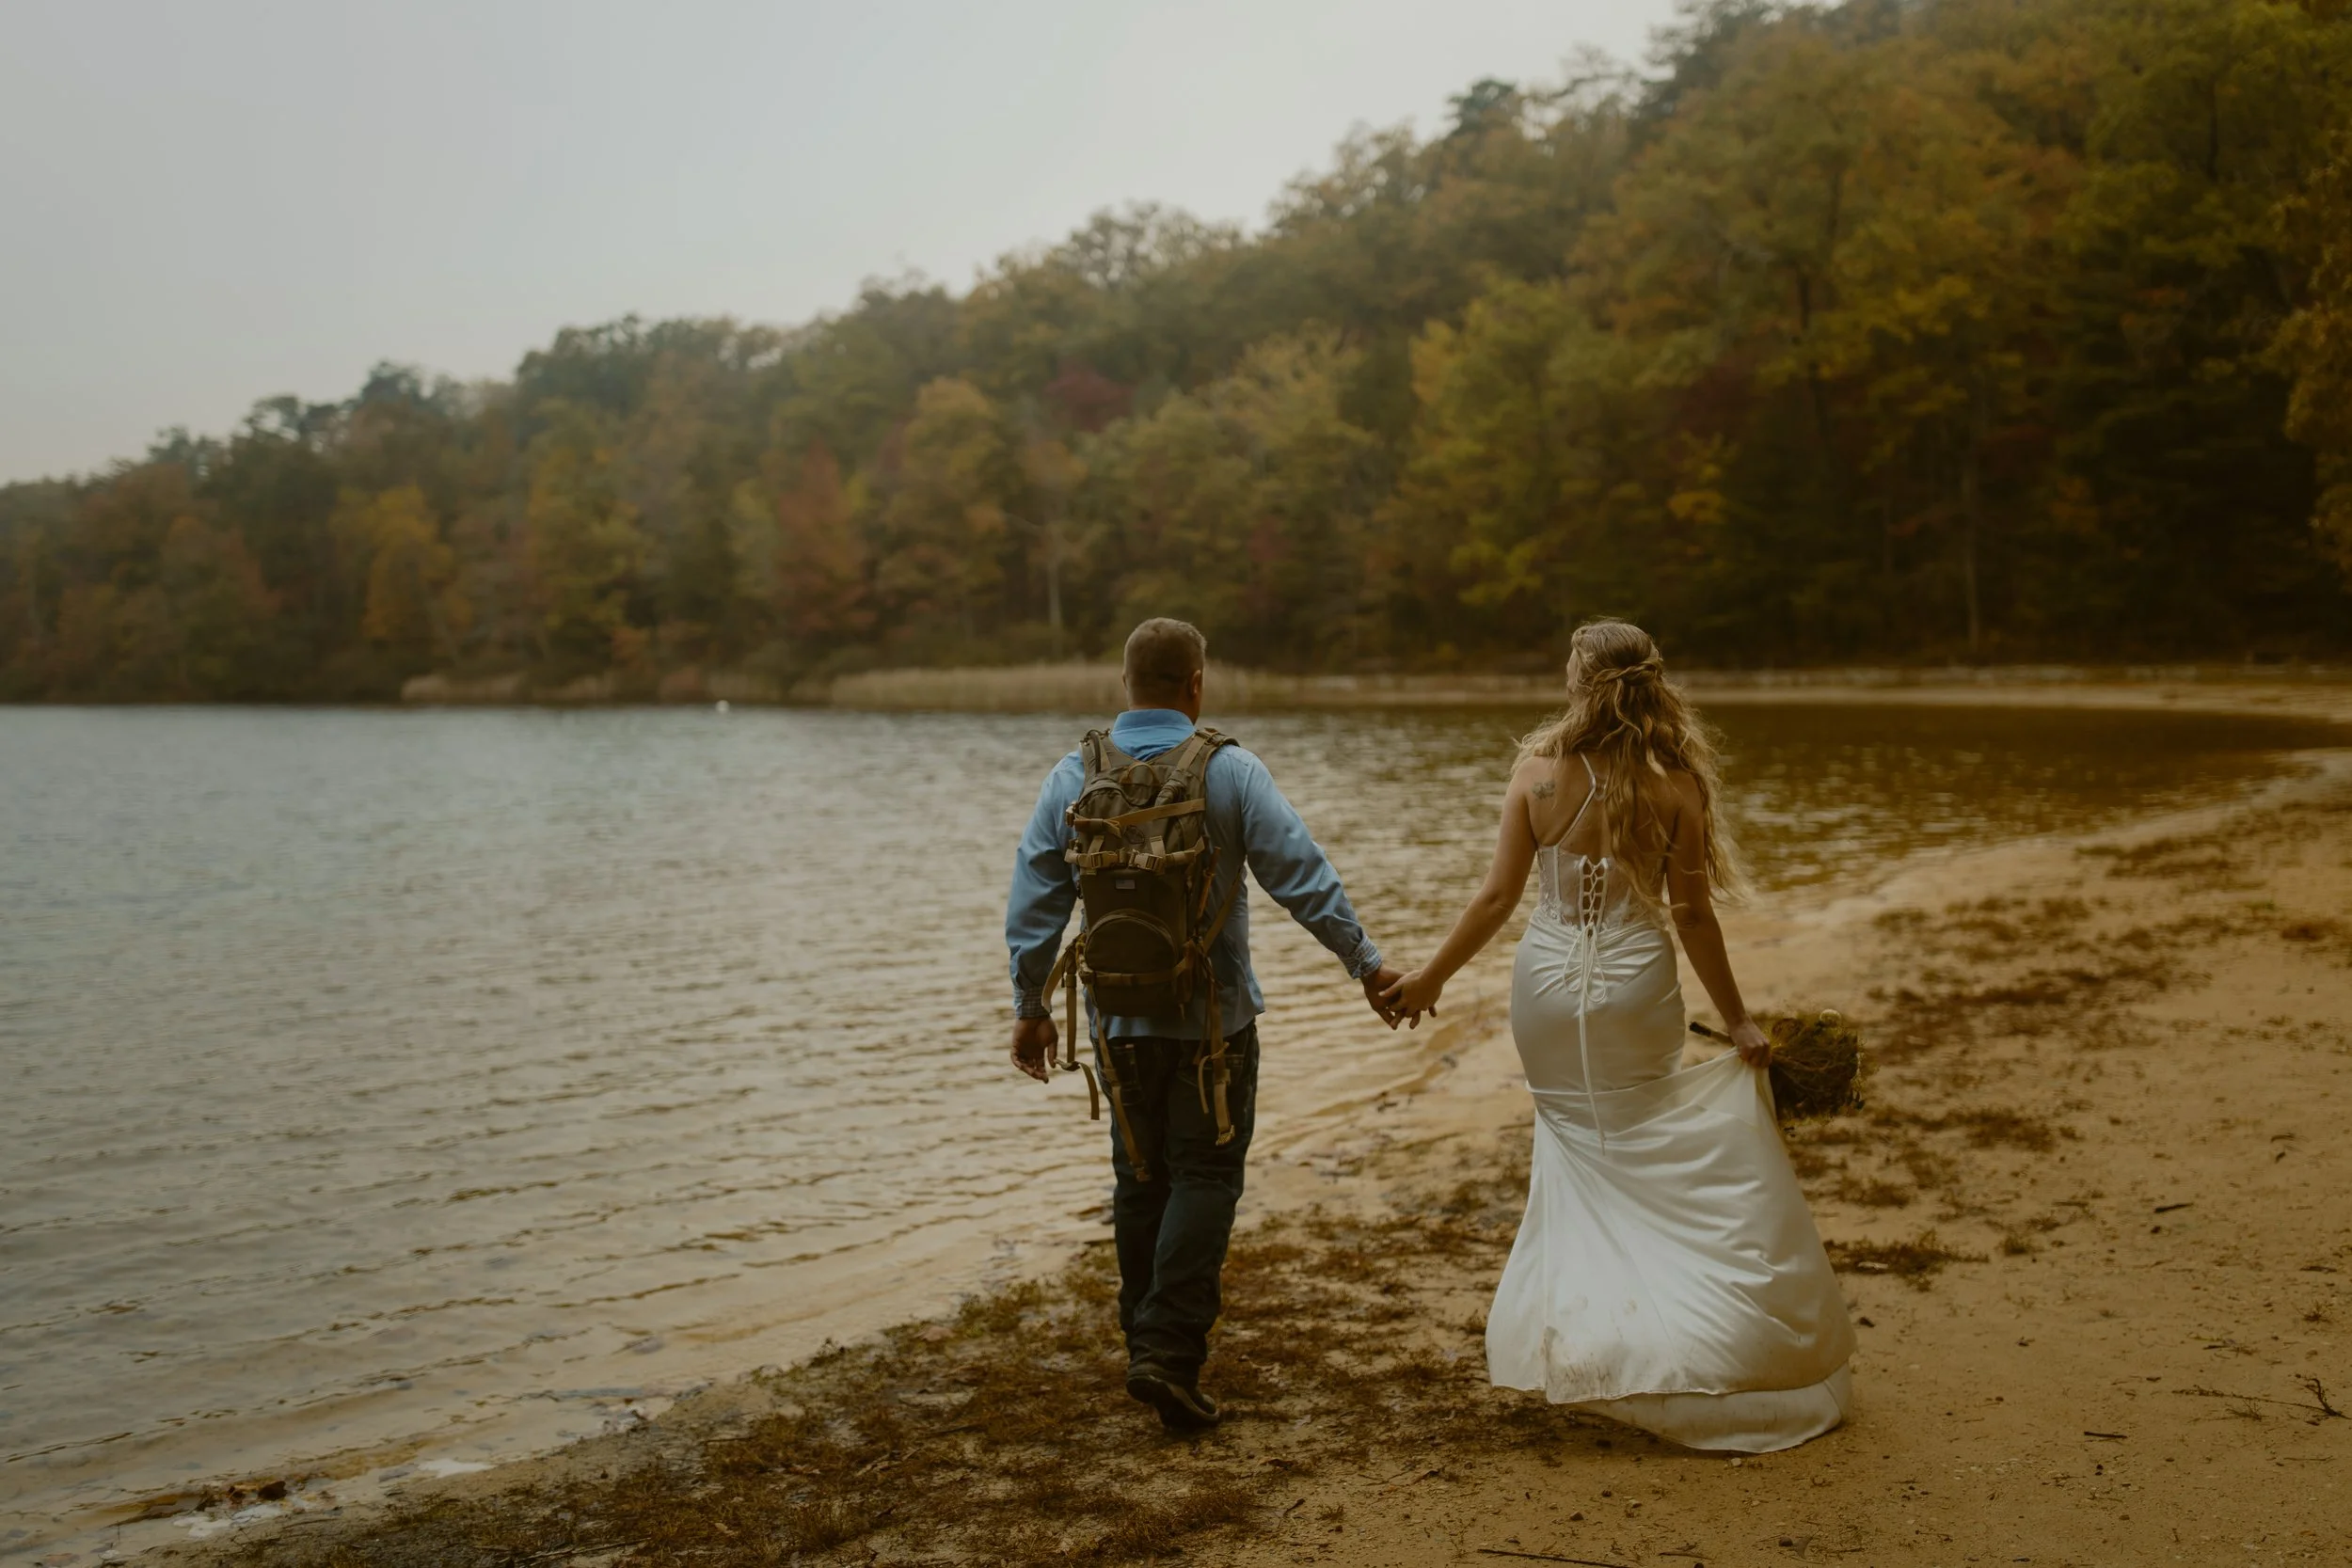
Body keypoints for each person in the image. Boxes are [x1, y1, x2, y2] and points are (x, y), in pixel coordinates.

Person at [1383, 619, 1854, 1452]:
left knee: (1578, 1151)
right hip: (1637, 990)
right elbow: (1693, 915)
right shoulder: (1676, 787)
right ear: (1651, 685)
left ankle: (1597, 1342)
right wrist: (1738, 1018)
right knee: (1637, 1147)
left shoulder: (1535, 780)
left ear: (1578, 681)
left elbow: (1497, 900)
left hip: (1548, 994)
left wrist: (1429, 980)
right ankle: (1673, 1336)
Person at [1005, 617, 1402, 1433]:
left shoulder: (1070, 776)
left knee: (1140, 1178)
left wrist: (1031, 1007)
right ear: (1196, 684)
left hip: (1117, 1025)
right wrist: (1365, 963)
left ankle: (1144, 1343)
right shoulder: (1231, 771)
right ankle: (1166, 1353)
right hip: (1215, 1026)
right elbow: (1303, 876)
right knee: (1206, 1177)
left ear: (1125, 686)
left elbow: (1035, 903)